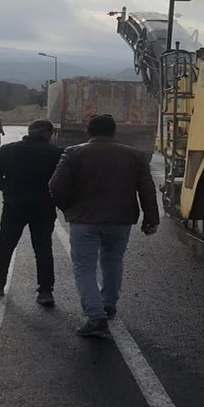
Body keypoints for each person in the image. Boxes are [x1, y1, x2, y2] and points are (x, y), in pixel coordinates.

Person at [49, 114, 159, 338]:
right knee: (113, 261)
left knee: (84, 268)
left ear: (88, 131)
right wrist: (151, 219)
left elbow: (56, 186)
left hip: (84, 220)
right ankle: (108, 305)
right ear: (114, 131)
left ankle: (95, 317)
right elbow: (147, 189)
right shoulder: (135, 155)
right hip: (121, 219)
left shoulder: (73, 153)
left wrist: (68, 208)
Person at [0, 120, 64, 305]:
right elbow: (63, 180)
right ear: (47, 134)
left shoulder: (8, 150)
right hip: (44, 206)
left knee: (6, 244)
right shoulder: (56, 153)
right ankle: (45, 291)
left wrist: (8, 188)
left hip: (14, 204)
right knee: (43, 248)